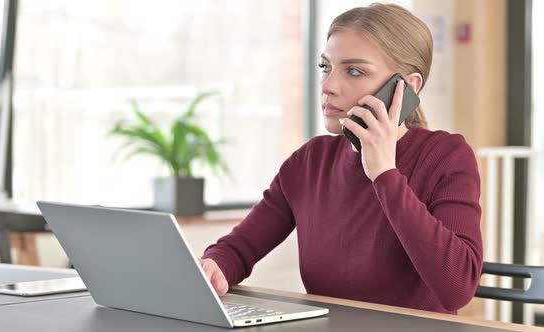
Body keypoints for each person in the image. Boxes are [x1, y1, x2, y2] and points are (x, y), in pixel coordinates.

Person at [200, 3, 482, 314]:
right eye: (325, 67)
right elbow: (239, 249)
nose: (328, 86)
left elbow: (457, 289)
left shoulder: (447, 157)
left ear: (408, 86)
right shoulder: (309, 162)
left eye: (355, 71)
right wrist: (216, 266)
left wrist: (385, 174)